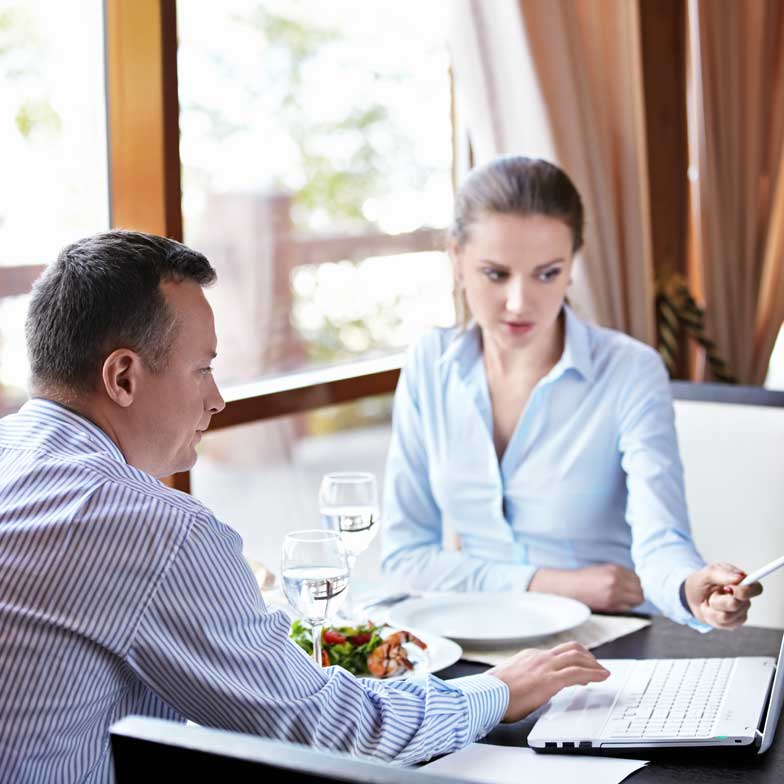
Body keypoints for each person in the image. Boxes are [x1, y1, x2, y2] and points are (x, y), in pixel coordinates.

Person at [0, 230, 610, 783]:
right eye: (203, 369)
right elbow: (329, 729)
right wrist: (497, 691)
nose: (216, 400)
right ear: (123, 378)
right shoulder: (151, 529)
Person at [381, 156, 762, 628]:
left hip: (607, 634)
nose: (519, 302)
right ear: (457, 260)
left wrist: (690, 591)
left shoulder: (630, 371)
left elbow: (660, 539)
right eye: (496, 274)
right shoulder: (428, 366)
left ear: (572, 266)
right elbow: (404, 559)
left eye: (547, 273)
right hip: (470, 640)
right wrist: (549, 581)